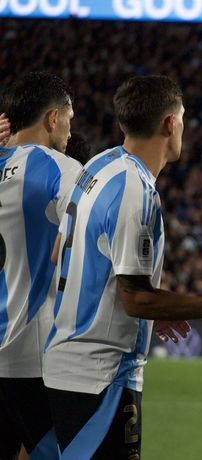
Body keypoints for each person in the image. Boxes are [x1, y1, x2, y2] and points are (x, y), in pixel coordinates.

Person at [42, 75, 202, 459]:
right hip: (101, 374)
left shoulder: (99, 165)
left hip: (65, 364)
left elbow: (59, 254)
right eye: (183, 118)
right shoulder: (134, 188)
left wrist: (151, 306)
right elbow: (136, 300)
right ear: (170, 123)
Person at [0, 71, 82, 460]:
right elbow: (86, 243)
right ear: (52, 118)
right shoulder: (61, 168)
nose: (70, 130)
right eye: (69, 118)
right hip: (30, 356)